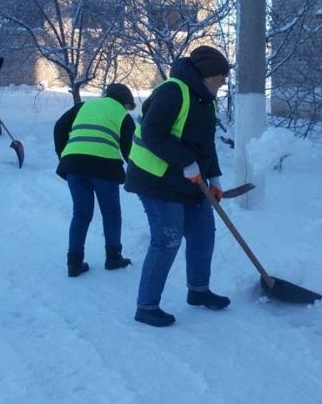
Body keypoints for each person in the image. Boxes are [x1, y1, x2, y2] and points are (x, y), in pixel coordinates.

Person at [126, 46, 230, 327]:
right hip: (155, 179)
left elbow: (205, 145)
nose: (224, 82)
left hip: (187, 180)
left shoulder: (206, 99)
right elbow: (152, 133)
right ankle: (146, 306)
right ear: (207, 74)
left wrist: (215, 177)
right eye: (221, 76)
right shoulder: (173, 91)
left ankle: (198, 290)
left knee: (203, 233)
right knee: (167, 239)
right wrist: (186, 162)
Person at [54, 83, 137, 277]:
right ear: (125, 102)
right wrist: (137, 176)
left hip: (73, 166)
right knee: (111, 213)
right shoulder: (123, 115)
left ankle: (74, 263)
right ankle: (113, 257)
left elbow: (59, 127)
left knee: (81, 214)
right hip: (104, 168)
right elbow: (130, 152)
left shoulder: (84, 106)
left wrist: (65, 155)